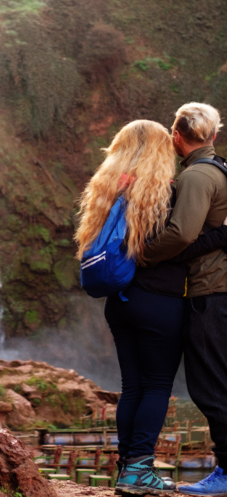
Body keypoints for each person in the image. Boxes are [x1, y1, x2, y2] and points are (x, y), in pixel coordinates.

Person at [75, 118, 227, 495]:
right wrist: (221, 234)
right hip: (159, 303)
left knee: (132, 387)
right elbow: (175, 245)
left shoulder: (109, 187)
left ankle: (127, 467)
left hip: (121, 301)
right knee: (157, 386)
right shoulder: (159, 192)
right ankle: (139, 469)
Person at [141, 103, 227, 496]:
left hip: (211, 291)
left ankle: (225, 471)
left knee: (210, 385)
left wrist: (143, 256)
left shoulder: (196, 176)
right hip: (218, 288)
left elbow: (180, 234)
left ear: (177, 136)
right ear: (213, 135)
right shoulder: (221, 168)